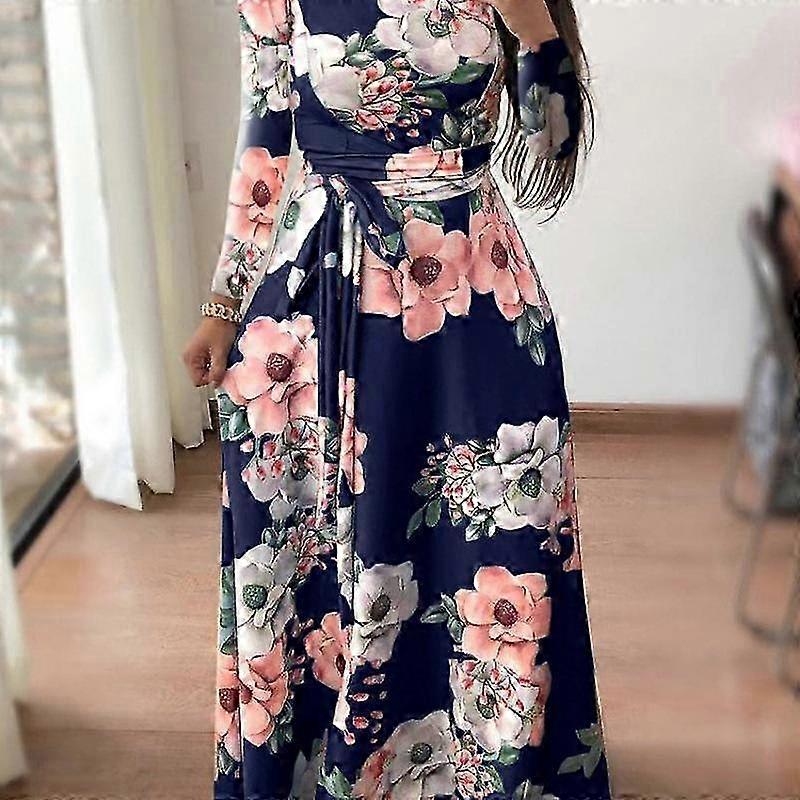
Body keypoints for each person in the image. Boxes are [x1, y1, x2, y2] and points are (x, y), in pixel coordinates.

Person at [183, 0, 611, 797]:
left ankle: (483, 766)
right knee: (318, 537)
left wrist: (533, 30)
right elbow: (264, 140)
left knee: (499, 537)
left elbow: (551, 146)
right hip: (325, 291)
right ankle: (335, 763)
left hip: (472, 293)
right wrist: (223, 304)